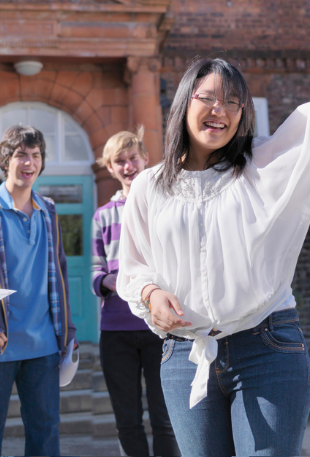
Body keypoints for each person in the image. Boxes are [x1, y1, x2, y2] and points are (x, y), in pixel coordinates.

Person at [116, 0, 310, 457]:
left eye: (233, 102)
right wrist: (150, 296)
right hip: (185, 357)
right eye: (208, 98)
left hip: (267, 346)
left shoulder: (261, 166)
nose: (221, 110)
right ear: (183, 103)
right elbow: (133, 267)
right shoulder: (150, 186)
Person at [0, 125, 77, 456]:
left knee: (45, 438)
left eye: (35, 155)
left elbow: (59, 273)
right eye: (20, 155)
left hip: (42, 346)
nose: (28, 162)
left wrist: (67, 332)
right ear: (6, 160)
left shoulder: (49, 209)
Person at [92, 127, 180, 456]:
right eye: (120, 161)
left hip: (160, 328)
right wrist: (107, 281)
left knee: (165, 418)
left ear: (145, 159)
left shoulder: (164, 208)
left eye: (133, 158)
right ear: (110, 168)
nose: (128, 166)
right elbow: (94, 269)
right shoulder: (102, 216)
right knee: (127, 421)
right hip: (116, 331)